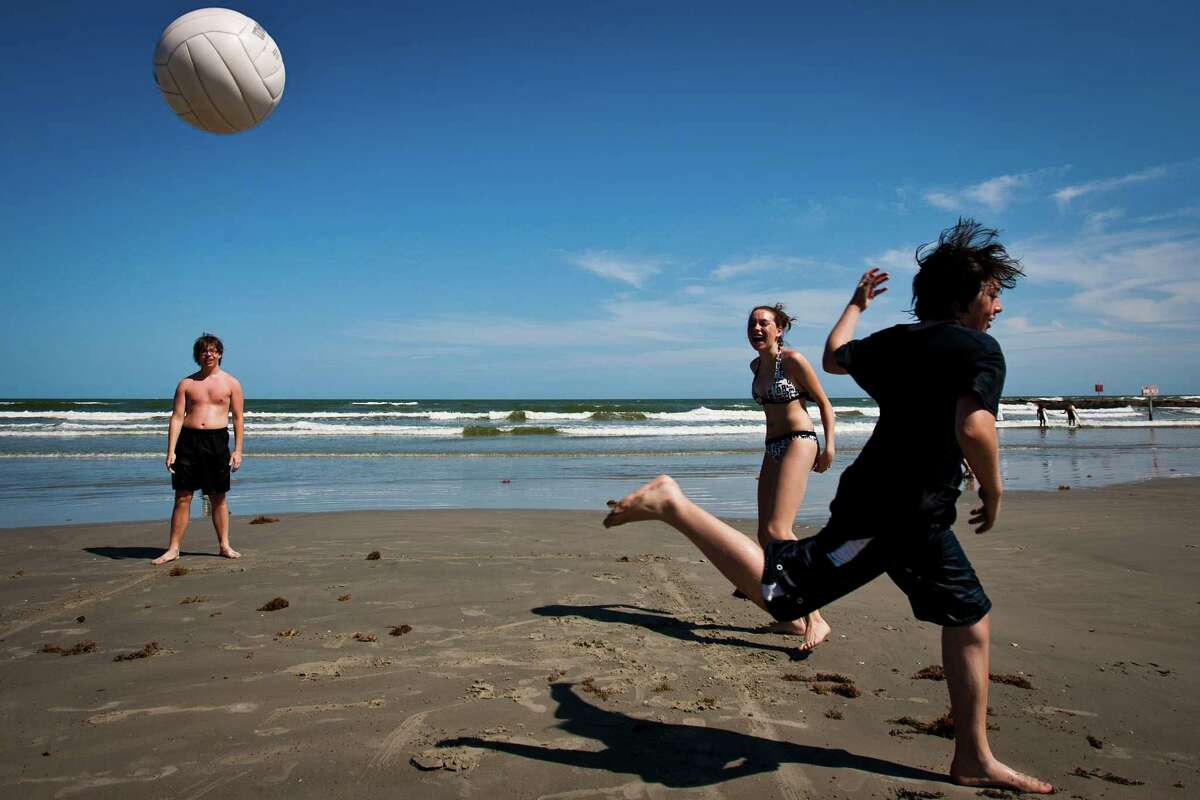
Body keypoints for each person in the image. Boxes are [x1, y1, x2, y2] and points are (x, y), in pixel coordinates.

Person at [603, 219, 1052, 794]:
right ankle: (674, 505)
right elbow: (975, 426)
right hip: (893, 514)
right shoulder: (980, 348)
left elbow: (836, 356)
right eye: (992, 295)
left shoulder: (895, 342)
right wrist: (993, 487)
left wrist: (857, 305)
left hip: (909, 512)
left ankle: (973, 756)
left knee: (968, 615)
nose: (998, 307)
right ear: (966, 300)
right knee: (782, 590)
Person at [744, 304, 836, 649]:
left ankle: (816, 617)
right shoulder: (755, 366)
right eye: (752, 323)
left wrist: (830, 447)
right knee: (764, 534)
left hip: (800, 440)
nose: (756, 328)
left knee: (779, 531)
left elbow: (825, 404)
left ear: (779, 329)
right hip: (772, 448)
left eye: (763, 323)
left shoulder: (793, 361)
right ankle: (794, 619)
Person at [152, 333, 245, 565]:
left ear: (219, 354)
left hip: (217, 442)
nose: (208, 354)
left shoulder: (231, 383)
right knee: (183, 496)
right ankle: (173, 548)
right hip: (188, 441)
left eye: (213, 350)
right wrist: (170, 450)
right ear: (198, 356)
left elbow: (238, 418)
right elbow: (176, 417)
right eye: (204, 351)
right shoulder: (187, 383)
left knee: (218, 497)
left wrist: (238, 450)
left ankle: (224, 545)